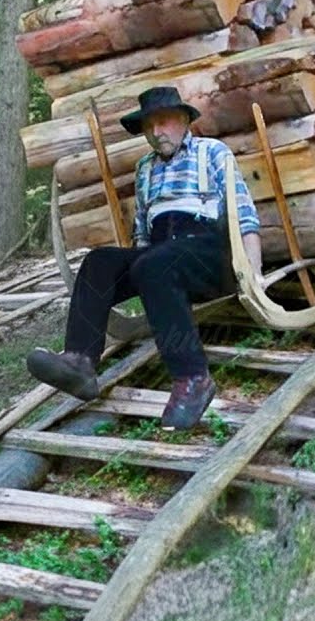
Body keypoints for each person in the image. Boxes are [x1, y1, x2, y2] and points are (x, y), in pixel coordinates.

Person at [27, 85, 263, 430]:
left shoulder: (212, 152)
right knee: (99, 262)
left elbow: (244, 214)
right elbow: (142, 229)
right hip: (160, 256)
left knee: (155, 263)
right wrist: (136, 271)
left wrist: (253, 274)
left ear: (184, 120)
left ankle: (193, 378)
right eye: (150, 126)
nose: (157, 131)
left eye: (164, 122)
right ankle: (80, 362)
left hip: (208, 254)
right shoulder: (145, 169)